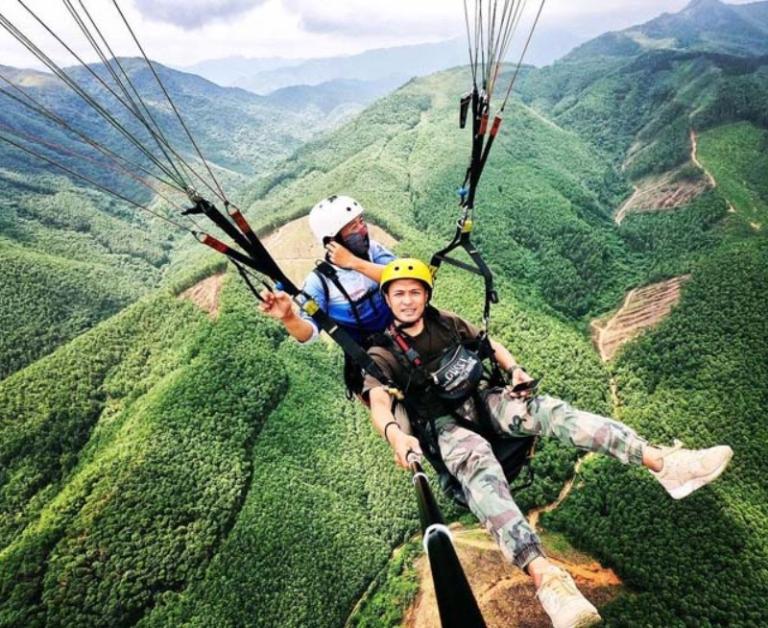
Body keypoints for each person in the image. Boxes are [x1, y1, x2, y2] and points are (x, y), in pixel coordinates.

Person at [362, 258, 734, 628]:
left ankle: (664, 464)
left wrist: (515, 370)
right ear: (388, 299)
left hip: (482, 399)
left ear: (426, 295)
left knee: (551, 412)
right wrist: (396, 435)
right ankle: (548, 581)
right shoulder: (382, 354)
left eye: (415, 292)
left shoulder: (447, 323)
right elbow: (380, 402)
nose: (408, 300)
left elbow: (489, 345)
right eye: (399, 294)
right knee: (478, 467)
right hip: (444, 426)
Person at [259, 194, 395, 396]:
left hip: (403, 329)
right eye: (353, 227)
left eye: (361, 222)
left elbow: (406, 276)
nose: (363, 229)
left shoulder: (373, 252)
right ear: (332, 240)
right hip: (370, 357)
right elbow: (309, 333)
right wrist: (289, 317)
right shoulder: (320, 282)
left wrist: (354, 262)